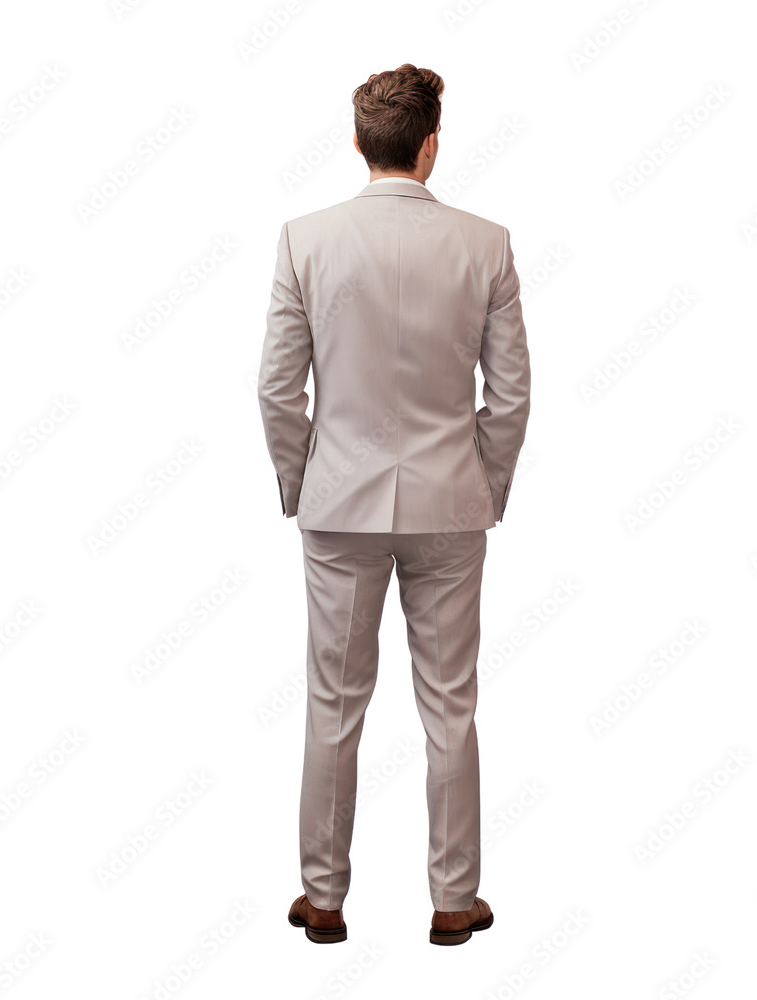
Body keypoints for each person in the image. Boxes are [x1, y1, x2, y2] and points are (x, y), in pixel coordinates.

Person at [258, 62, 531, 946]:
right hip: (451, 506)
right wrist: (485, 484)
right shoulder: (486, 244)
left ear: (357, 142)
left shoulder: (305, 241)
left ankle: (323, 899)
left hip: (339, 504)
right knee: (450, 706)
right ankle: (454, 900)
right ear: (431, 145)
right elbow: (511, 395)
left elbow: (277, 390)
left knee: (332, 705)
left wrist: (301, 483)